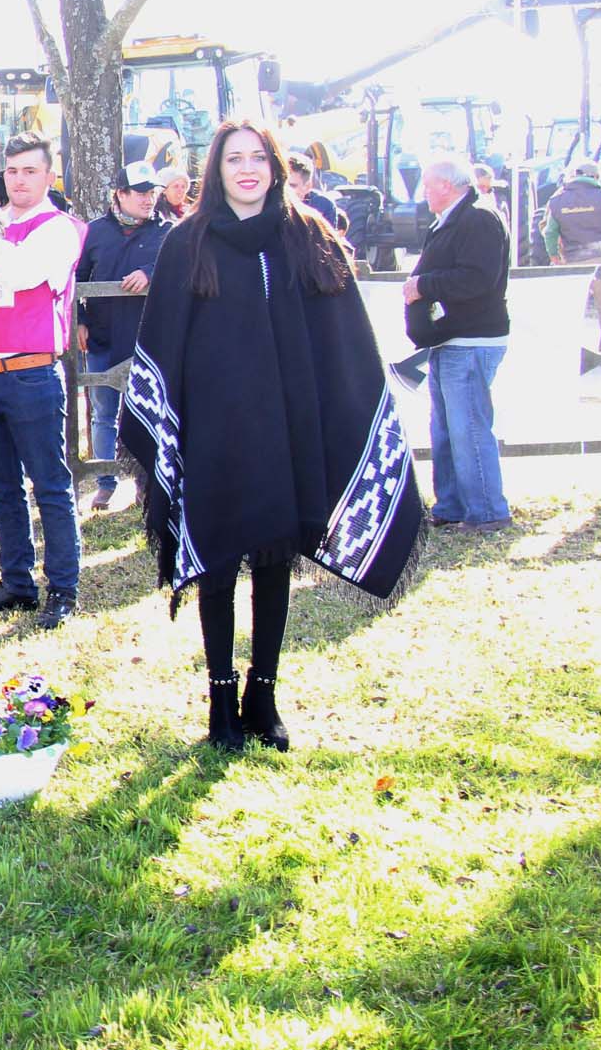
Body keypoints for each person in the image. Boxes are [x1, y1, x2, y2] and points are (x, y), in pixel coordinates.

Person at [121, 122, 423, 754]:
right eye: (234, 158)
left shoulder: (308, 235)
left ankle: (263, 695)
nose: (247, 169)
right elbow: (164, 337)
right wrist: (169, 427)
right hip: (214, 432)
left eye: (258, 157)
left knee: (274, 559)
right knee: (217, 559)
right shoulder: (188, 242)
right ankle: (221, 700)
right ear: (216, 170)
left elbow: (344, 339)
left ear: (275, 166)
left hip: (288, 429)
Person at [0, 133, 85, 630]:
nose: (19, 180)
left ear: (49, 176)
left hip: (30, 373)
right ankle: (16, 582)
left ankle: (63, 589)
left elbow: (22, 275)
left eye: (30, 171)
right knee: (3, 488)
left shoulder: (59, 229)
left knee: (50, 485)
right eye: (12, 171)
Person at [403, 155, 511, 533]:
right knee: (447, 429)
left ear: (446, 186)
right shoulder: (457, 219)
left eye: (427, 185)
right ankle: (452, 506)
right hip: (453, 338)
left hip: (471, 339)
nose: (424, 193)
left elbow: (477, 278)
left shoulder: (478, 219)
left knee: (468, 430)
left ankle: (487, 512)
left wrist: (424, 285)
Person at [74, 160, 169, 512]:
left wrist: (150, 272)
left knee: (148, 413)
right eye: (140, 192)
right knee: (103, 413)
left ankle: (146, 483)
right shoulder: (94, 232)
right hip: (102, 337)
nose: (148, 199)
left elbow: (180, 269)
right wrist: (79, 320)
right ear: (121, 194)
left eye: (152, 192)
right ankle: (105, 482)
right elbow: (76, 278)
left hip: (148, 340)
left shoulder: (166, 232)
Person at [543, 159, 601, 356]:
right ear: (595, 177)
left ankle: (569, 350)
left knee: (571, 307)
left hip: (573, 260)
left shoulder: (557, 201)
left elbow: (550, 232)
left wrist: (554, 255)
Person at [285, 153, 341, 228]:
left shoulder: (324, 206)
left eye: (292, 186)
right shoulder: (271, 201)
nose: (286, 190)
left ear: (307, 187)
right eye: (282, 184)